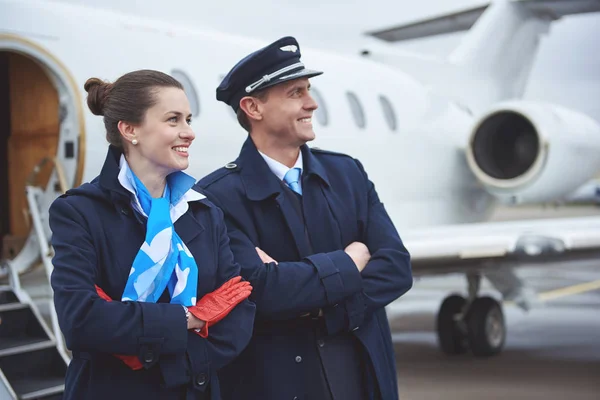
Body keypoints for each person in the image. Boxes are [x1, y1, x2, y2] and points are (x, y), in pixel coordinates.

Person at [196, 37, 413, 400]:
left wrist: (315, 309)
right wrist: (349, 263)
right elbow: (259, 292)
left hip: (362, 377)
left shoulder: (348, 174)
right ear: (253, 107)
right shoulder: (217, 197)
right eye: (296, 92)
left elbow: (395, 268)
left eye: (308, 90)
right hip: (277, 385)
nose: (312, 103)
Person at [49, 69, 255, 400]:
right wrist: (192, 318)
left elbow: (239, 313)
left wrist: (171, 363)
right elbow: (81, 320)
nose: (189, 133)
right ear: (130, 130)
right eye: (173, 120)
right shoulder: (79, 212)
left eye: (188, 119)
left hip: (194, 388)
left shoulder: (204, 211)